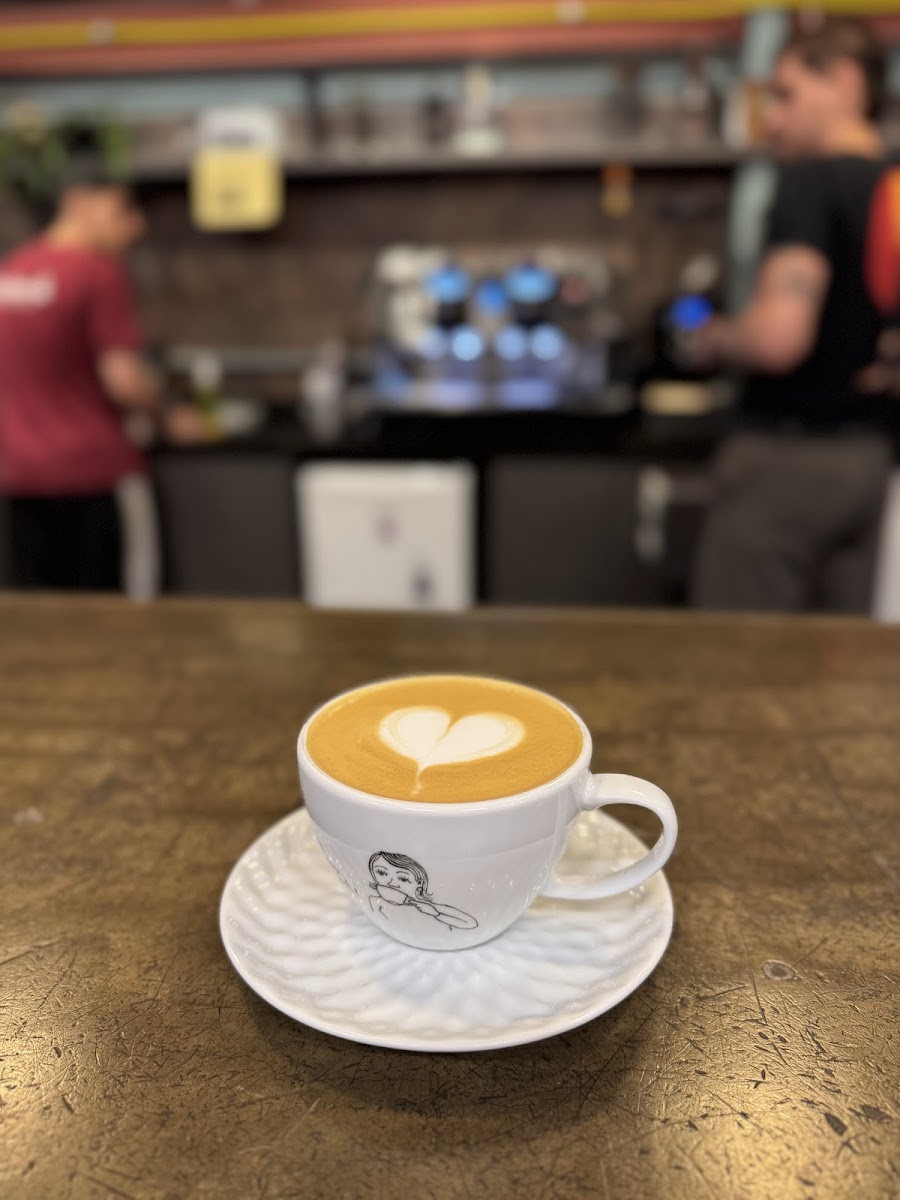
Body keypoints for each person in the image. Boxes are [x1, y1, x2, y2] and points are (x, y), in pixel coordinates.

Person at [690, 19, 898, 613]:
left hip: (786, 458)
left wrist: (718, 337)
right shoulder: (893, 188)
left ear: (845, 82)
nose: (774, 119)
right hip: (868, 458)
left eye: (786, 95)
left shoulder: (809, 183)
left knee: (737, 655)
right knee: (835, 657)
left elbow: (779, 338)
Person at [0, 162, 196, 591]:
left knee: (41, 613)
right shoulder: (97, 273)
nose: (136, 226)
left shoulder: (11, 270)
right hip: (94, 473)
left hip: (19, 474)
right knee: (119, 611)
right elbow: (123, 378)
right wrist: (169, 414)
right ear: (78, 204)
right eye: (121, 211)